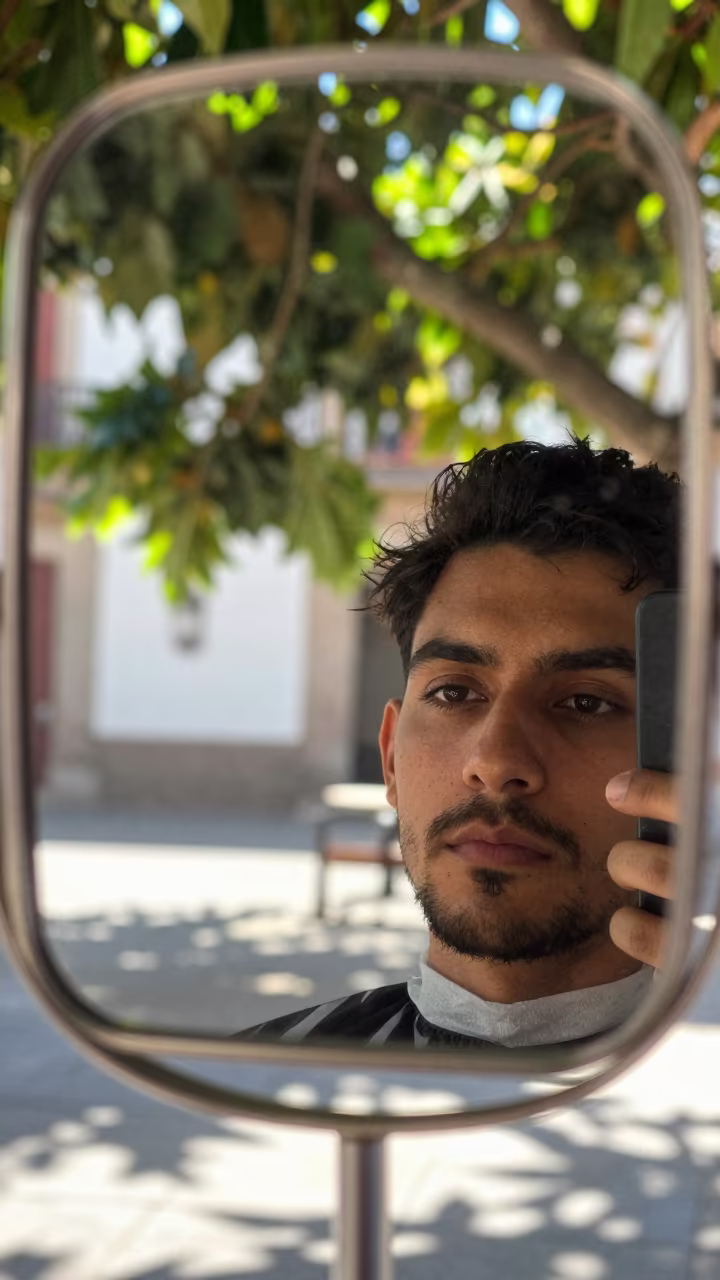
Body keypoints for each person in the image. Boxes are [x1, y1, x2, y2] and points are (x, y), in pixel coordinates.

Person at [242, 437, 678, 1048]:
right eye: (453, 693)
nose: (496, 763)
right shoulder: (266, 1071)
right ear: (391, 757)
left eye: (585, 703)